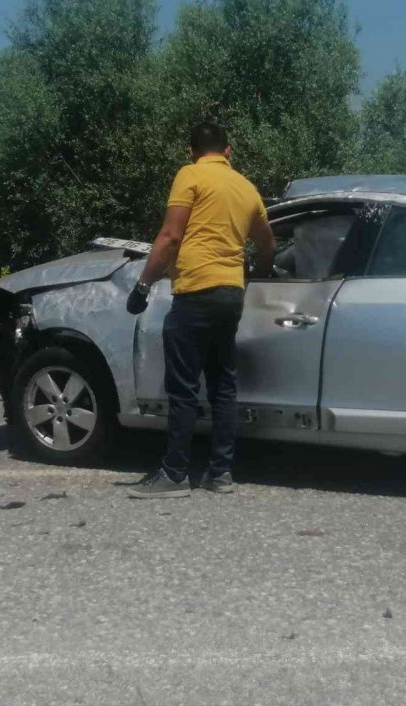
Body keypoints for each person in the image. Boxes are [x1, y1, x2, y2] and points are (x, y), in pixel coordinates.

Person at [126, 123, 275, 498]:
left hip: (195, 291)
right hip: (231, 293)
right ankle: (220, 473)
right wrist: (259, 270)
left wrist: (143, 285)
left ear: (191, 151)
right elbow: (267, 243)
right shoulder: (246, 187)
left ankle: (175, 474)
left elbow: (171, 235)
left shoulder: (189, 175)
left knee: (184, 388)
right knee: (223, 384)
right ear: (228, 151)